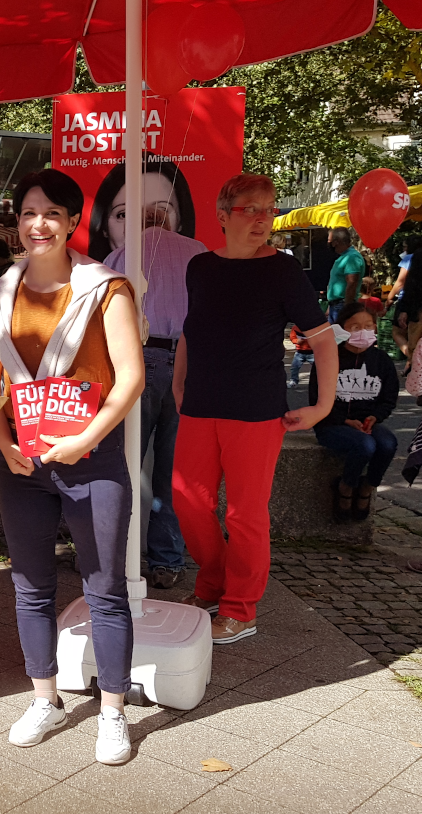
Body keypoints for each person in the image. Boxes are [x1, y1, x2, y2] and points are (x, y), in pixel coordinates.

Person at [0, 169, 144, 766]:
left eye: (51, 213)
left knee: (105, 590)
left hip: (91, 459)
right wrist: (4, 441)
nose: (38, 224)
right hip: (23, 463)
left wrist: (88, 441)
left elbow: (130, 380)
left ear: (73, 221)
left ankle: (113, 711)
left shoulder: (107, 288)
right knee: (30, 587)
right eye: (27, 213)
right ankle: (44, 696)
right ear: (16, 224)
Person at [173, 173, 338, 645]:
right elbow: (191, 329)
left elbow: (322, 338)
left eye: (269, 208)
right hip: (200, 406)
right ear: (223, 215)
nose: (263, 218)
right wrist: (180, 384)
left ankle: (241, 609)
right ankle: (212, 584)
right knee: (188, 500)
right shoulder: (200, 267)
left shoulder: (283, 270)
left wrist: (323, 404)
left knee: (246, 514)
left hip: (257, 411)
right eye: (250, 208)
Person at [104, 223, 207, 590]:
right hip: (191, 360)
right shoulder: (199, 251)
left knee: (122, 464)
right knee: (173, 470)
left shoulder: (122, 253)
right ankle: (168, 561)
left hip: (137, 358)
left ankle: (115, 557)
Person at [310, 302, 398, 522]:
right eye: (356, 327)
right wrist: (344, 420)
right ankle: (345, 487)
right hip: (332, 424)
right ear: (342, 328)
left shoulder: (382, 361)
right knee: (364, 446)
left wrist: (375, 417)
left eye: (369, 326)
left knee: (387, 444)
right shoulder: (328, 358)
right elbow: (316, 400)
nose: (363, 332)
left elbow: (388, 399)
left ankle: (367, 487)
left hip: (367, 422)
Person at [87, 154, 196, 261]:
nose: (142, 226)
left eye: (160, 211)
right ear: (104, 226)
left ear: (181, 221)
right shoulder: (99, 273)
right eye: (124, 214)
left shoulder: (198, 258)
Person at [325, 227, 364, 323]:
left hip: (342, 304)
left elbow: (352, 282)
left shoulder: (351, 257)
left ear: (336, 242)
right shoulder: (344, 257)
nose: (328, 243)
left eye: (330, 241)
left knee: (341, 335)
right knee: (335, 336)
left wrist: (347, 307)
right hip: (336, 304)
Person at [387, 234, 420, 303]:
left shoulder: (408, 258)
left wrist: (389, 298)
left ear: (410, 247)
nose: (404, 249)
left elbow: (400, 282)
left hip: (408, 299)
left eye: (405, 247)